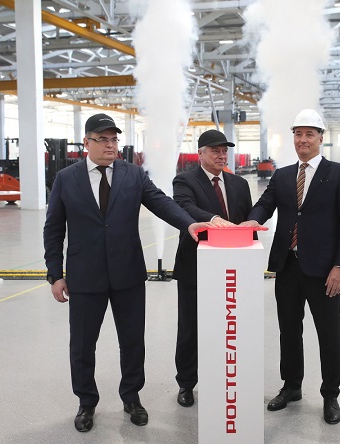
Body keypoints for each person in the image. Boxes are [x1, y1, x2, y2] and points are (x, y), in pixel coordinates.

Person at [43, 113, 210, 432]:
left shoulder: (133, 174)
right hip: (84, 275)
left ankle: (132, 398)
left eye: (114, 139)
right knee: (82, 345)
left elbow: (161, 202)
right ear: (86, 143)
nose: (110, 145)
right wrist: (55, 273)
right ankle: (86, 402)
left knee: (132, 341)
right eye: (102, 139)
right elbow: (53, 228)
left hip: (127, 274)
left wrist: (189, 224)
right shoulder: (66, 178)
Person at [242, 109, 340, 424]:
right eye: (298, 134)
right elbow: (264, 205)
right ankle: (291, 386)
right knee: (289, 331)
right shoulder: (282, 175)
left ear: (321, 138)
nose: (303, 139)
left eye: (309, 134)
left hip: (324, 271)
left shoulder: (339, 173)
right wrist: (249, 223)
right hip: (288, 266)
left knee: (329, 334)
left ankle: (330, 395)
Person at [171, 129, 254, 407]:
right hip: (195, 267)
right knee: (191, 327)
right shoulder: (185, 180)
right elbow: (185, 207)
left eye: (224, 151)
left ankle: (226, 377)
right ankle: (186, 383)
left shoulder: (239, 184)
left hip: (234, 268)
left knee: (231, 326)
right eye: (215, 151)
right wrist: (215, 220)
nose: (221, 155)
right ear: (201, 153)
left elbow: (247, 220)